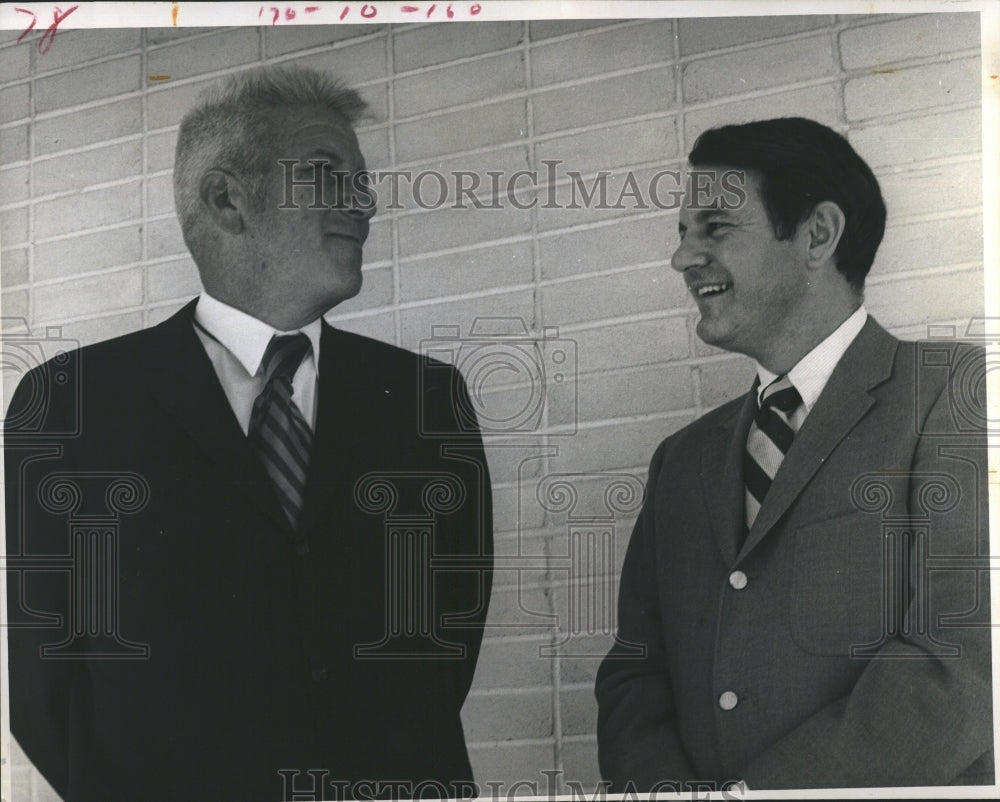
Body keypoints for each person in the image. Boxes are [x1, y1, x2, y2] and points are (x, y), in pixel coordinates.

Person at [5, 66, 493, 801]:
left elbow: (446, 650)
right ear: (227, 199)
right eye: (328, 175)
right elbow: (46, 688)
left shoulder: (428, 401)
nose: (364, 205)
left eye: (362, 184)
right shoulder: (70, 404)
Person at [595, 117, 993, 790]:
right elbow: (635, 673)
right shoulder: (680, 460)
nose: (683, 258)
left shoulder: (955, 393)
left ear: (818, 234)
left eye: (716, 227)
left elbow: (965, 658)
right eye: (683, 233)